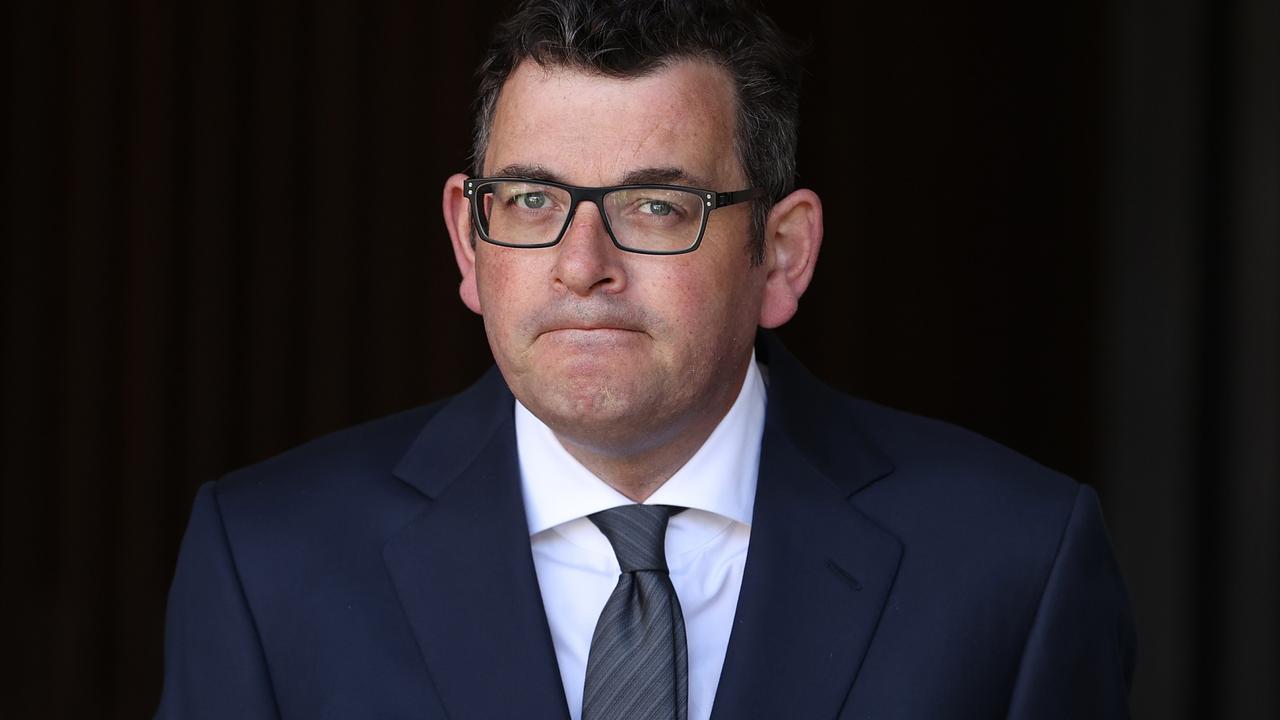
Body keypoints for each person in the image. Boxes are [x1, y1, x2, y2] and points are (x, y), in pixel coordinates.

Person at [157, 0, 1135, 718]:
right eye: (533, 202)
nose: (583, 267)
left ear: (781, 255)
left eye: (654, 207)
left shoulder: (1010, 564)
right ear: (468, 240)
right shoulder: (269, 563)